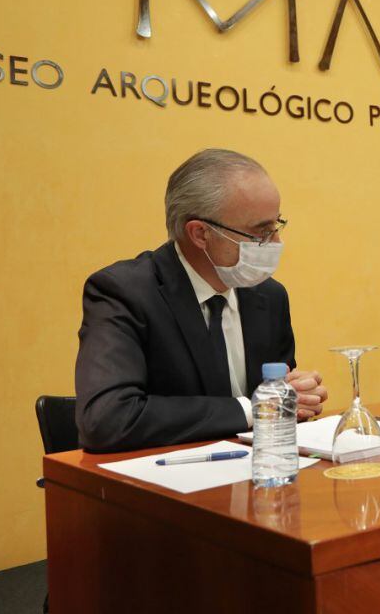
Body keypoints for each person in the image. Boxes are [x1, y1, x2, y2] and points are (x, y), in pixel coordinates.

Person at [75, 149, 328, 452]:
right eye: (261, 232)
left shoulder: (269, 297)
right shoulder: (124, 293)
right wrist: (255, 408)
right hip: (162, 486)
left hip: (257, 482)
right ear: (200, 234)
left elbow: (278, 414)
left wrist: (297, 399)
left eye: (277, 226)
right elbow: (107, 420)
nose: (276, 244)